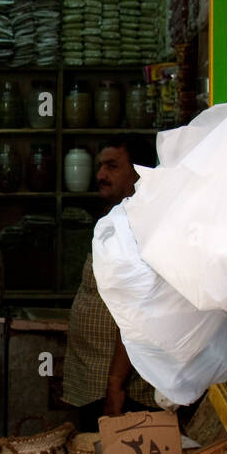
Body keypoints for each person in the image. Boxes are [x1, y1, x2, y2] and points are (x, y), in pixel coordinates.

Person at [62, 136, 159, 432]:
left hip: (121, 390)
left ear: (139, 172)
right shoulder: (116, 219)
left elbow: (136, 310)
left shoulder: (142, 226)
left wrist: (115, 384)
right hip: (93, 381)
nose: (100, 175)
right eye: (100, 166)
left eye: (112, 167)